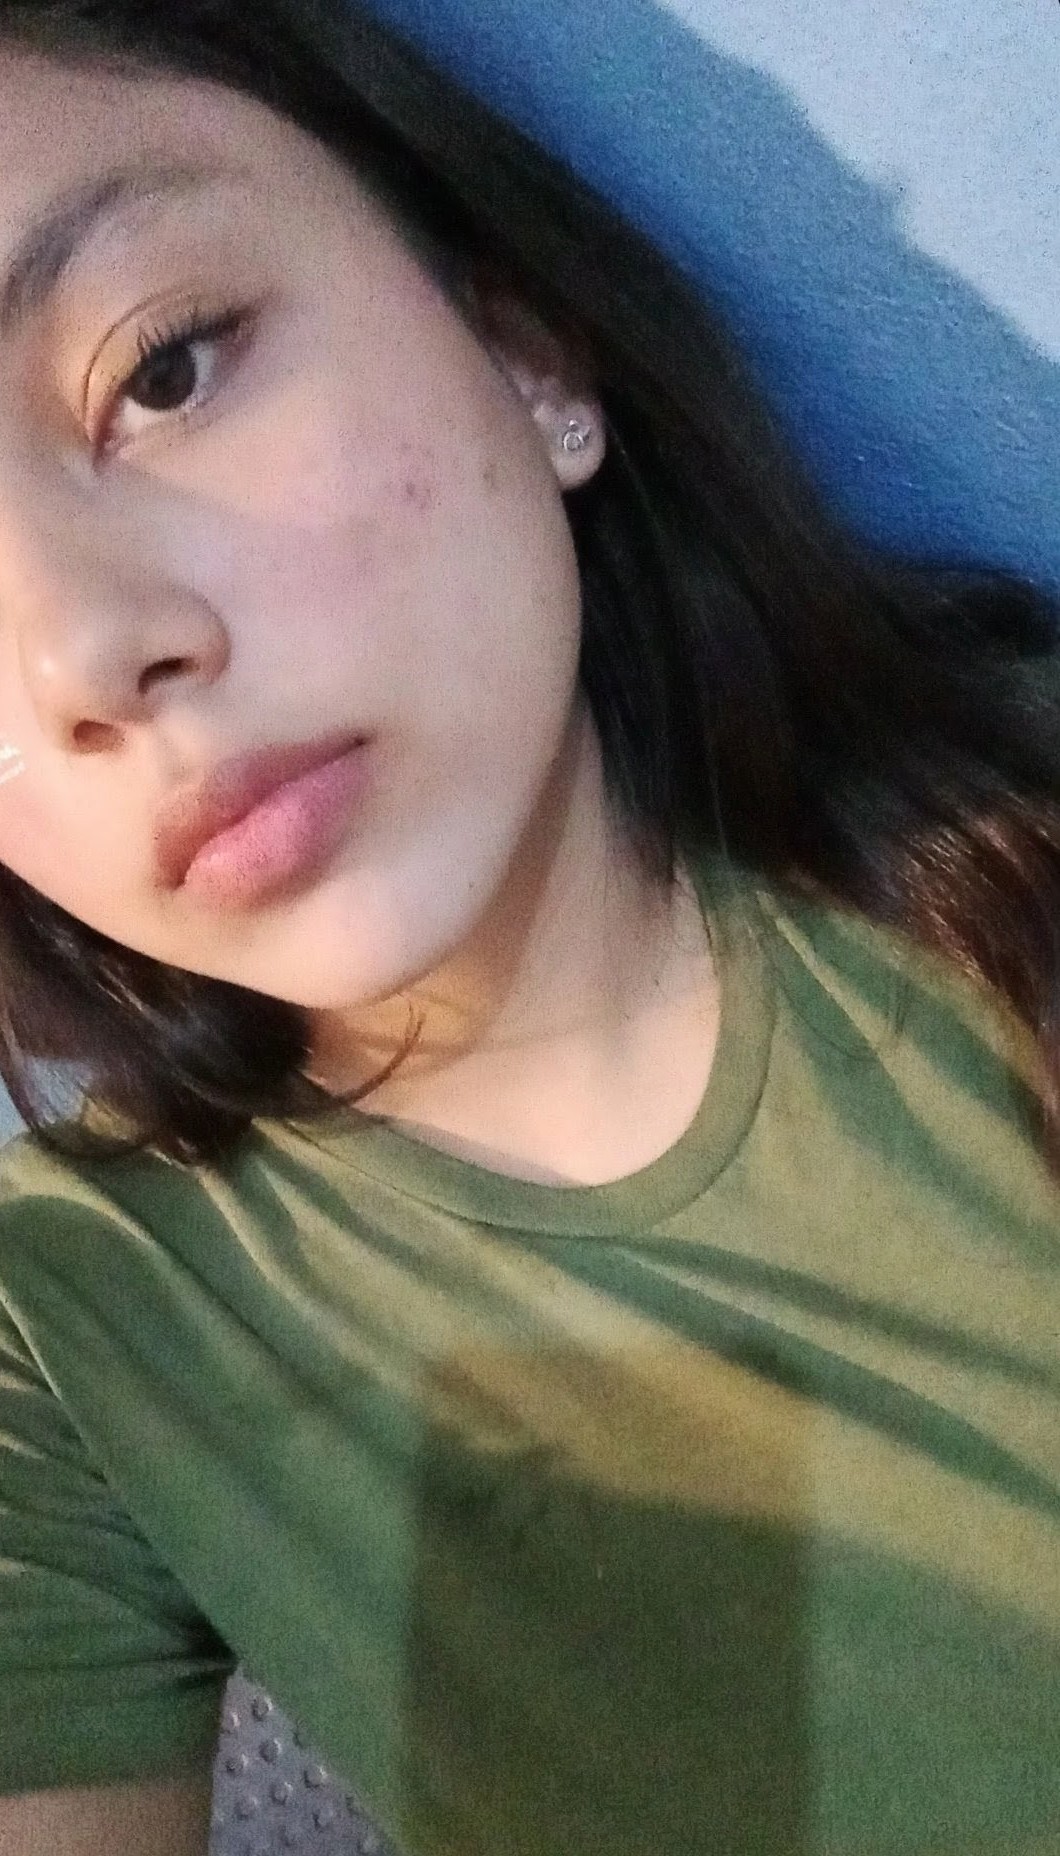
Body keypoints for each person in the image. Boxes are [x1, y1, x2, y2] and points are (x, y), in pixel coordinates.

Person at [0, 1, 1056, 1852]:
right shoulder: (71, 1323)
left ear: (523, 348)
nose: (86, 655)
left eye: (164, 370)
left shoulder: (1012, 859)